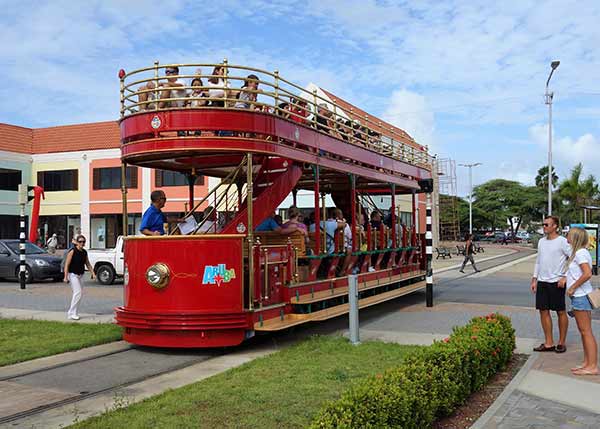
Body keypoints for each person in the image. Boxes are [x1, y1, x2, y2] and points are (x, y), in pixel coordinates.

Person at [531, 215, 572, 353]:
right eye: (543, 224)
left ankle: (561, 342)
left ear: (555, 226)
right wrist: (534, 278)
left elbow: (573, 258)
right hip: (542, 281)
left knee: (560, 311)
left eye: (547, 225)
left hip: (557, 282)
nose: (544, 227)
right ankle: (549, 343)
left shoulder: (562, 242)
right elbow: (538, 260)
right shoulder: (541, 242)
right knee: (543, 311)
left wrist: (565, 277)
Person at [565, 227, 598, 375]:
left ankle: (592, 366)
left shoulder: (580, 253)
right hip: (579, 296)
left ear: (575, 237)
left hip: (581, 296)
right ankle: (587, 362)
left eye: (569, 234)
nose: (567, 236)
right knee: (584, 331)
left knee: (586, 331)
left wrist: (572, 288)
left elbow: (587, 274)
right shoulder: (578, 253)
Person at [63, 235, 94, 321]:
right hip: (73, 274)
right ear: (76, 242)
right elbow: (67, 264)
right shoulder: (72, 251)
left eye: (83, 242)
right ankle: (71, 312)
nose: (82, 243)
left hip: (81, 275)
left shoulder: (84, 252)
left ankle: (74, 313)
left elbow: (87, 263)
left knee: (78, 295)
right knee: (78, 292)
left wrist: (93, 273)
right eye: (80, 241)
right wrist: (65, 276)